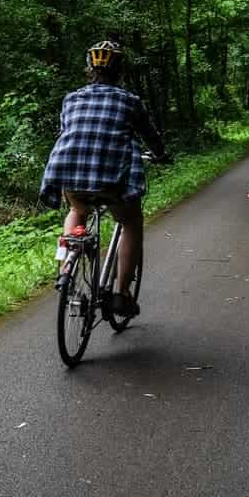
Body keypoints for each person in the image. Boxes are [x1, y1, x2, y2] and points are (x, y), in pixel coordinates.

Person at [40, 40, 169, 318]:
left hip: (68, 172)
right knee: (130, 221)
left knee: (77, 210)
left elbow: (67, 130)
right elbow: (150, 136)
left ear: (89, 68)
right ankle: (122, 294)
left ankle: (65, 270)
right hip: (112, 179)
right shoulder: (130, 101)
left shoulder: (71, 99)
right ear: (119, 70)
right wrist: (160, 153)